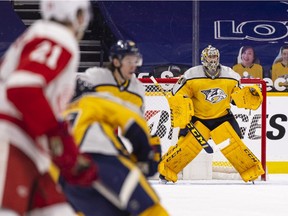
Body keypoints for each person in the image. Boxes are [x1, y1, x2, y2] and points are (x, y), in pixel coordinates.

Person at [0, 0, 97, 215]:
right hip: (11, 142)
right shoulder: (58, 37)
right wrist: (57, 134)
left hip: (27, 149)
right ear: (78, 15)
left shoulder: (41, 34)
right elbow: (22, 88)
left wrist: (68, 151)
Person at [59, 70, 169, 215]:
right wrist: (145, 155)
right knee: (149, 210)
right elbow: (132, 120)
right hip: (102, 162)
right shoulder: (92, 101)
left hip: (67, 178)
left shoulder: (58, 117)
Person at [158, 45, 265, 183]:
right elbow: (177, 93)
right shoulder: (191, 75)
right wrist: (180, 103)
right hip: (198, 118)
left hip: (222, 117)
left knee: (235, 146)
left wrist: (246, 97)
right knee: (185, 147)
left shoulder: (230, 75)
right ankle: (166, 172)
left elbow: (236, 97)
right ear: (203, 58)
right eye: (210, 57)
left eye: (214, 57)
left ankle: (251, 172)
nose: (212, 60)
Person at [78, 40, 145, 113]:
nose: (133, 67)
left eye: (135, 62)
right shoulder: (97, 77)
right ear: (116, 62)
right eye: (129, 62)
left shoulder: (138, 89)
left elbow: (137, 120)